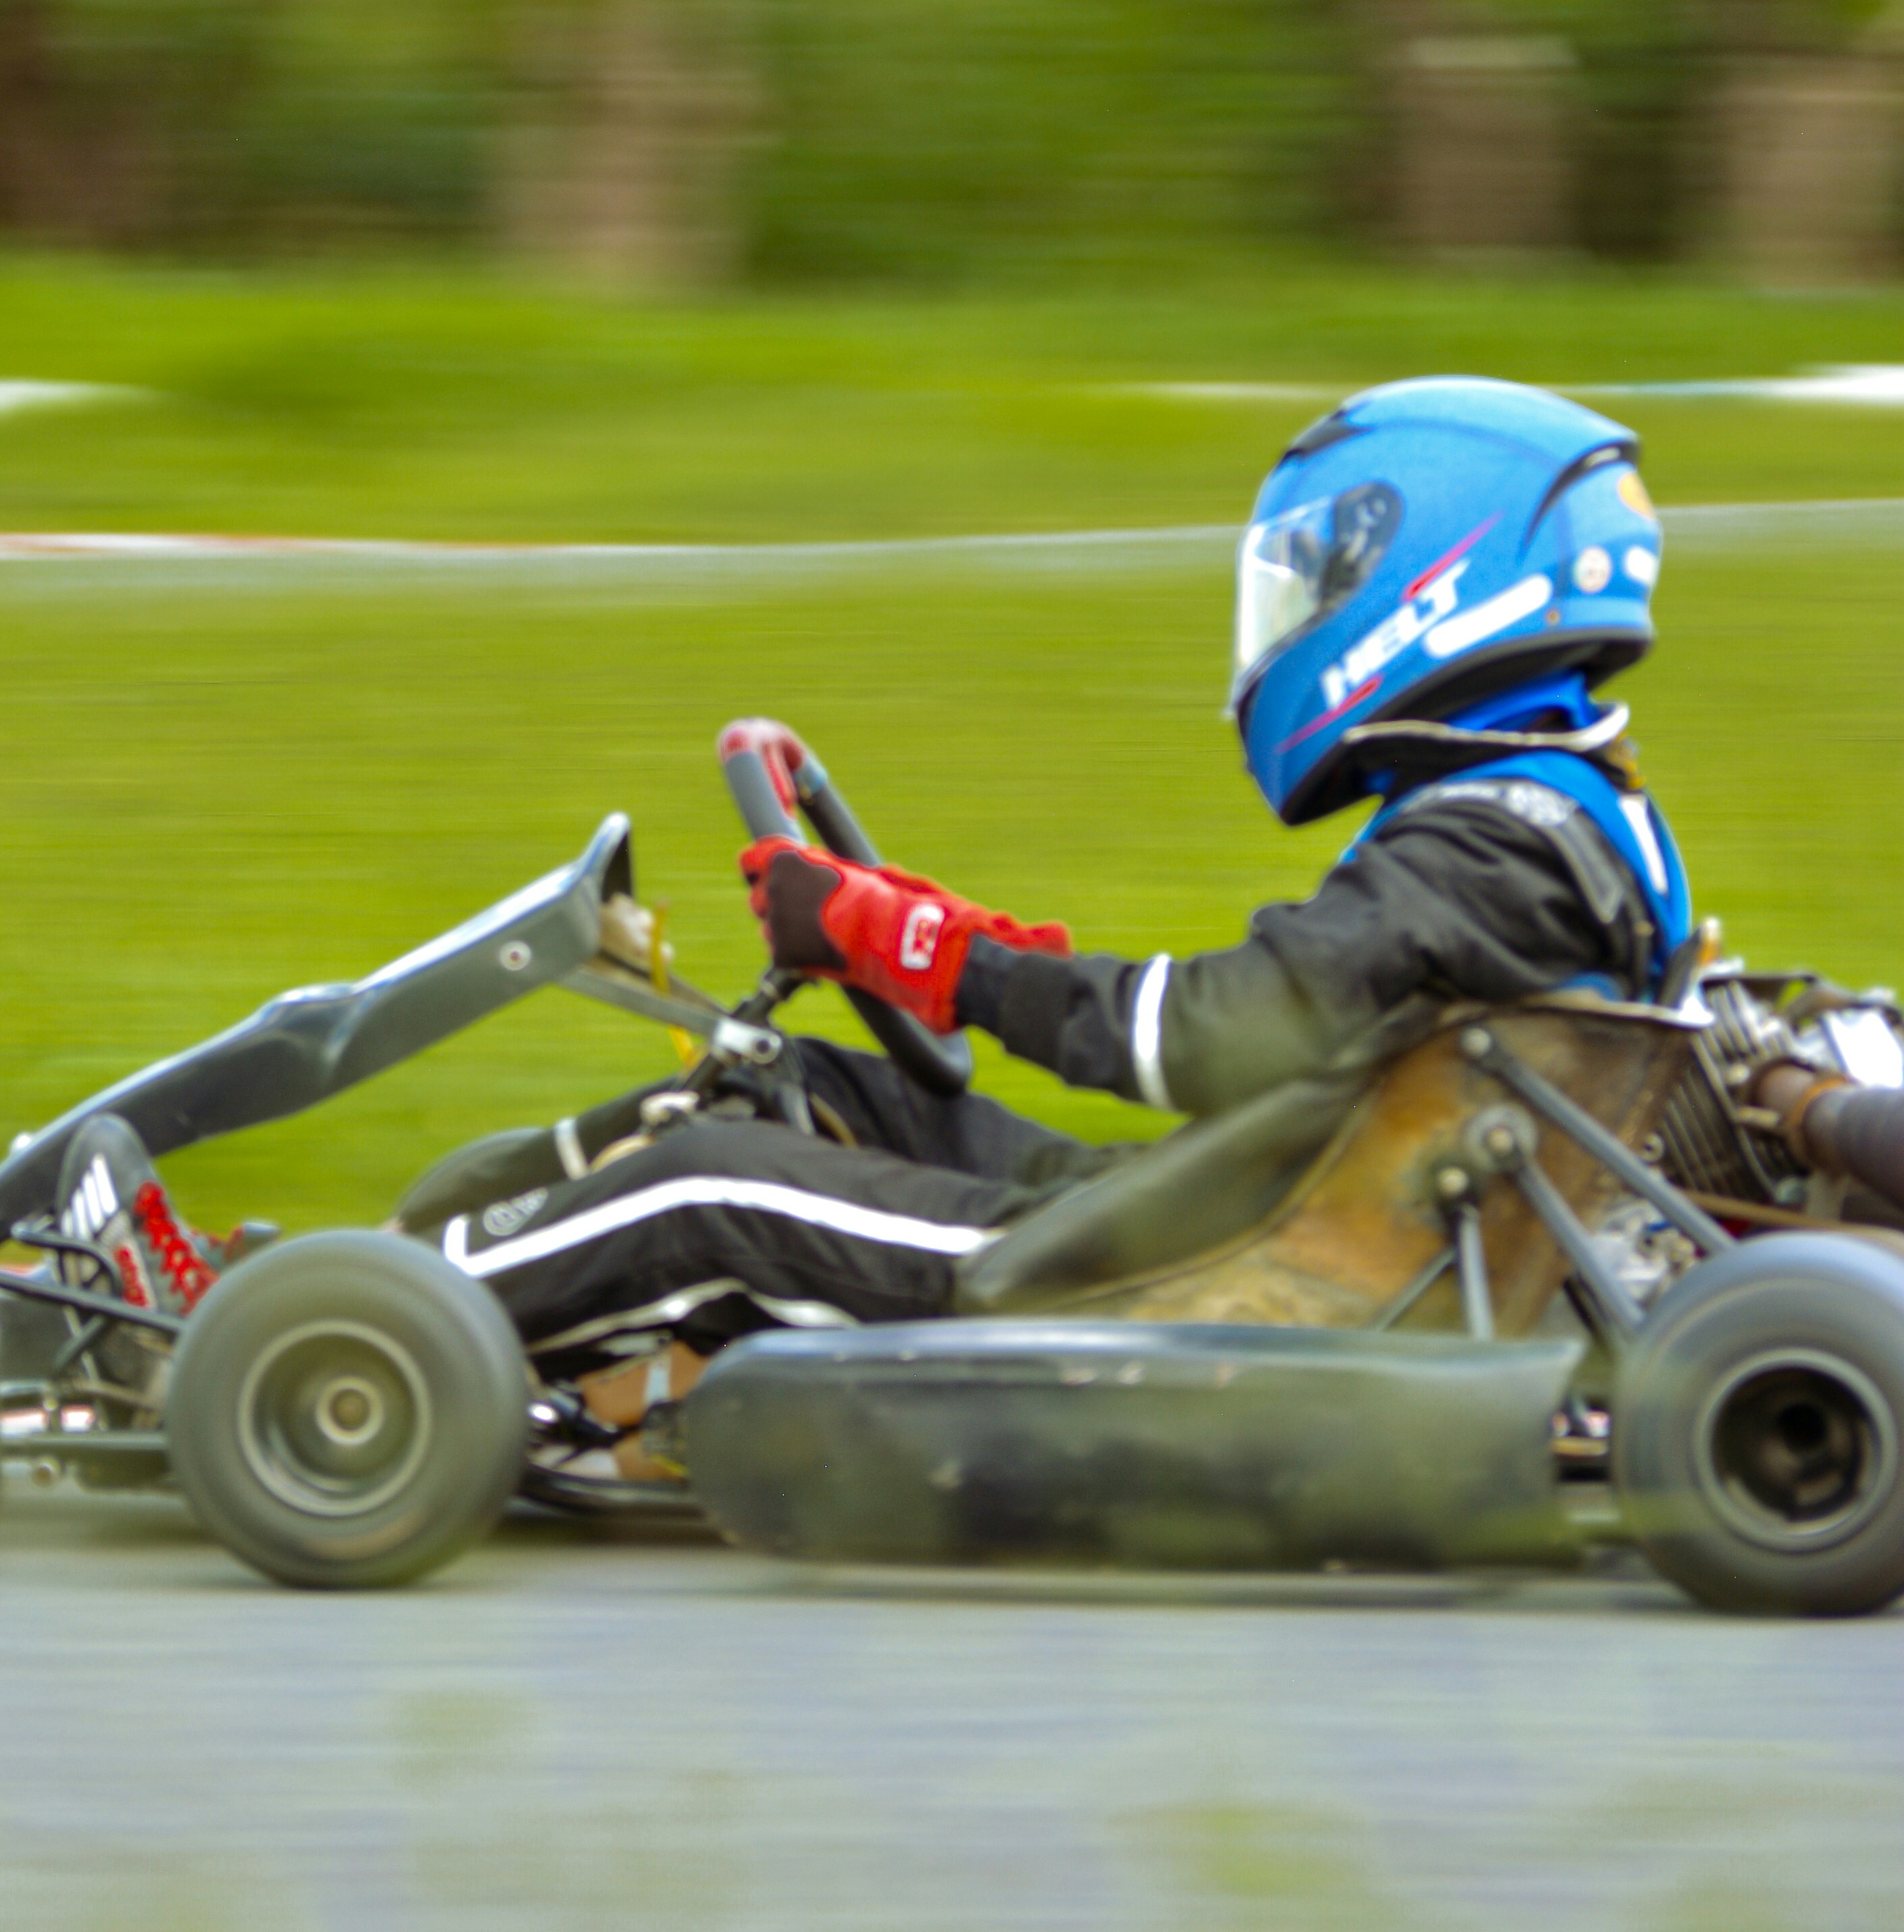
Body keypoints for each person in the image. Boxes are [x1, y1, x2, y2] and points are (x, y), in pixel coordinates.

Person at [429, 377, 1693, 1421]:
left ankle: (374, 1330)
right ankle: (445, 1270)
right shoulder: (1548, 814)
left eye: (1316, 580)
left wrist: (917, 946)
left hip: (1214, 1284)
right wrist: (955, 944)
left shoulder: (1496, 844)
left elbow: (1215, 1035)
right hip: (1254, 1215)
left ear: (1436, 578)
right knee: (804, 1092)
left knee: (704, 1189)